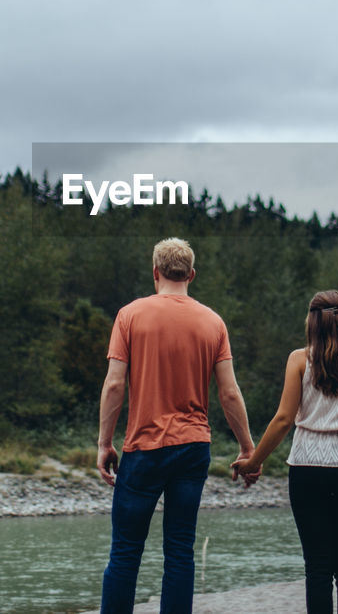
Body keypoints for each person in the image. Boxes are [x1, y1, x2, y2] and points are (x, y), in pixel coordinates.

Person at [97, 237, 257, 614]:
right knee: (180, 552)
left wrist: (105, 442)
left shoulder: (130, 315)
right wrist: (248, 449)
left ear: (155, 273)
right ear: (191, 275)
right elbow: (229, 393)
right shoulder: (213, 322)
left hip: (144, 448)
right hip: (192, 449)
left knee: (125, 553)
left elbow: (115, 383)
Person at [231, 289, 338, 614]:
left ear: (312, 321)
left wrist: (253, 462)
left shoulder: (299, 360)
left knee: (317, 568)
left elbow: (284, 419)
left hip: (308, 470)